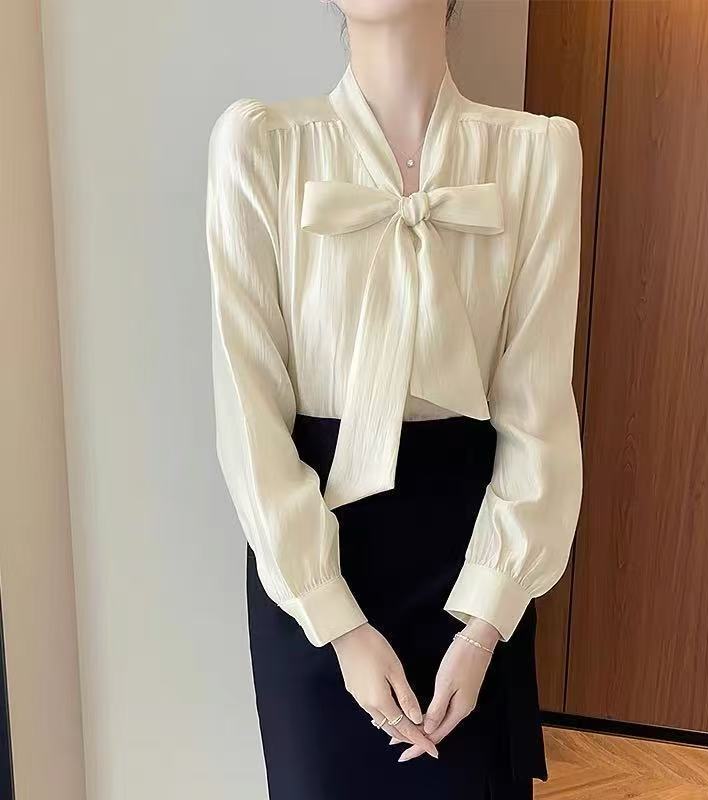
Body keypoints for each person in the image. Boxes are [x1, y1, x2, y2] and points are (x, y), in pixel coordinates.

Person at [204, 1, 583, 797]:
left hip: (475, 554)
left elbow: (538, 410)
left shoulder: (537, 155)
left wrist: (485, 624)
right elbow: (249, 411)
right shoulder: (261, 146)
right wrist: (337, 623)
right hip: (312, 556)